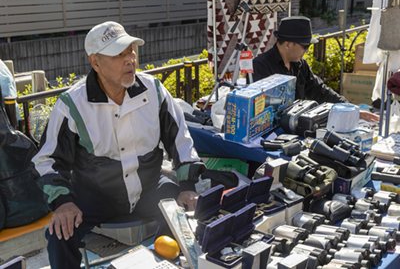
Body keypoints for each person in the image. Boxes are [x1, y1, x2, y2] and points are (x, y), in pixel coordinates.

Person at [32, 21, 207, 269]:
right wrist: (63, 203)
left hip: (150, 187)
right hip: (96, 194)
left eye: (131, 51)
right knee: (59, 234)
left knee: (185, 213)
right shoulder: (72, 104)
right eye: (119, 54)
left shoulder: (154, 90)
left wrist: (187, 185)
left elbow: (180, 138)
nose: (130, 60)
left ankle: (162, 264)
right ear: (96, 63)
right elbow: (47, 160)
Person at [250, 16, 379, 122]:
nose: (307, 51)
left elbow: (320, 91)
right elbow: (259, 108)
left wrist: (349, 108)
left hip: (294, 125)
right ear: (288, 44)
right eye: (305, 46)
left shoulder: (300, 64)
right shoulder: (260, 66)